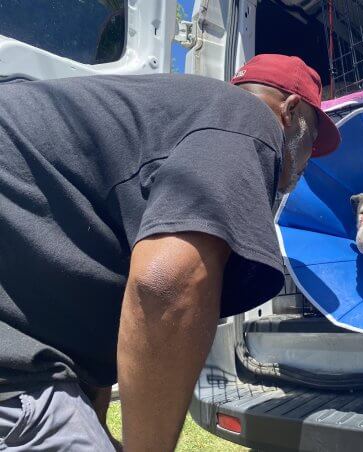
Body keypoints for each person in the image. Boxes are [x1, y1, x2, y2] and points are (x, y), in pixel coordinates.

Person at [0, 54, 340, 451]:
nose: (308, 157)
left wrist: (100, 422)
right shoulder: (249, 119)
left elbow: (90, 315)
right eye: (312, 139)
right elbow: (168, 285)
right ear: (291, 111)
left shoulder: (175, 116)